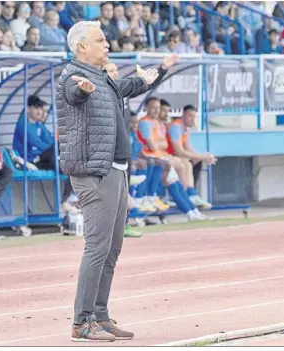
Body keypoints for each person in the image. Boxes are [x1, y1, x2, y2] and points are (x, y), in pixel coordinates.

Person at [57, 20, 178, 342]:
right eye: (100, 40)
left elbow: (129, 87)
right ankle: (81, 322)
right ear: (81, 47)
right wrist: (81, 91)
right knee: (97, 246)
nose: (107, 44)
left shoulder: (101, 77)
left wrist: (158, 72)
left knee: (112, 248)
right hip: (95, 172)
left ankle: (100, 315)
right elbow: (73, 94)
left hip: (116, 169)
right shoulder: (73, 76)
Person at [166, 105, 217, 208]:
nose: (192, 119)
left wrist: (203, 156)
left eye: (194, 116)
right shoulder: (176, 127)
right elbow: (179, 151)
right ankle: (187, 193)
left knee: (195, 161)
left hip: (174, 156)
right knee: (186, 163)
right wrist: (202, 157)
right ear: (183, 115)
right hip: (167, 156)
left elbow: (188, 148)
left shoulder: (185, 129)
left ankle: (191, 192)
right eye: (190, 116)